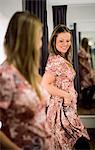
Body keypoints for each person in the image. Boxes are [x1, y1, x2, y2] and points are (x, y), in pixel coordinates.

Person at [0, 11, 51, 150]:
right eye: (39, 38)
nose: (41, 44)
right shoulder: (5, 76)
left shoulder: (29, 73)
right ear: (27, 40)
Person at [41, 24, 90, 150]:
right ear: (54, 42)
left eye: (67, 40)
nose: (65, 43)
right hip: (60, 111)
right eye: (61, 41)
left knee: (76, 143)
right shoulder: (56, 60)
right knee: (80, 142)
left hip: (68, 109)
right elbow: (45, 84)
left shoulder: (62, 58)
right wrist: (66, 95)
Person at [78, 37, 95, 109]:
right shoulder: (81, 52)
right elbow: (82, 63)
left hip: (89, 71)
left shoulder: (86, 51)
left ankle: (88, 102)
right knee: (86, 88)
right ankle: (86, 104)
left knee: (92, 86)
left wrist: (91, 70)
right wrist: (88, 69)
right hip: (84, 72)